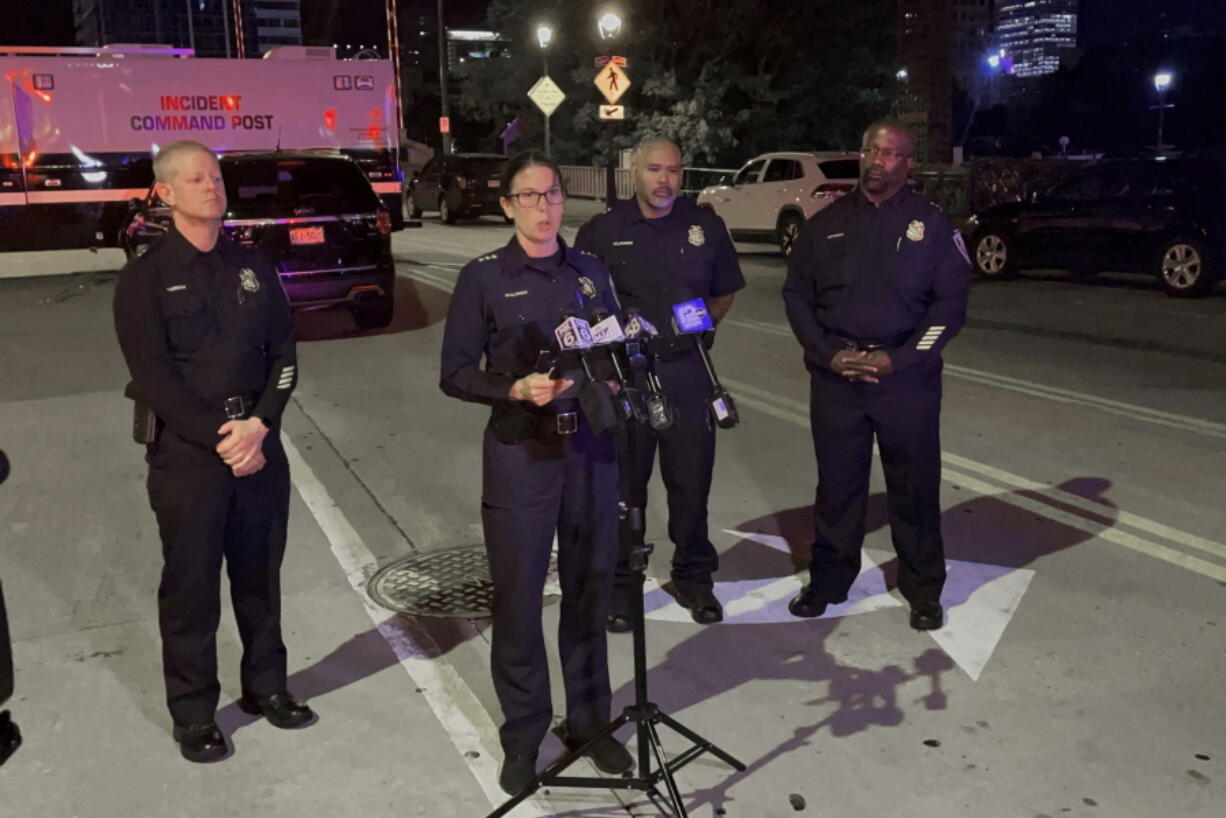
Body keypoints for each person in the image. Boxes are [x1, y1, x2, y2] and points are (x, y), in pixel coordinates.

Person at [439, 150, 633, 795]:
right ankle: (523, 735)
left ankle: (590, 724)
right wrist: (514, 389)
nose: (544, 206)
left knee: (589, 591)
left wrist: (616, 357)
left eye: (552, 194)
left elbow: (614, 354)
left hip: (590, 455)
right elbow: (457, 372)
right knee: (519, 600)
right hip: (522, 452)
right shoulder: (485, 277)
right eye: (529, 196)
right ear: (507, 205)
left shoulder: (591, 273)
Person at [113, 140, 314, 764]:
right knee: (191, 589)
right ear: (166, 194)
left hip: (257, 446)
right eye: (196, 179)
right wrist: (223, 439)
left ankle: (267, 688)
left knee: (260, 578)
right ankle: (195, 711)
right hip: (190, 460)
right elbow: (156, 379)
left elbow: (284, 355)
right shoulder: (144, 278)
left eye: (217, 176)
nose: (212, 186)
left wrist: (259, 425)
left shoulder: (251, 264)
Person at [781, 120, 971, 631]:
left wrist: (902, 359)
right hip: (838, 379)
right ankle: (829, 580)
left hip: (905, 382)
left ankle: (923, 588)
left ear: (907, 163)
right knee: (838, 489)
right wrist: (825, 353)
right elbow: (796, 294)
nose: (876, 160)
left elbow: (950, 309)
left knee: (914, 489)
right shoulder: (828, 222)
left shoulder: (930, 227)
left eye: (889, 153)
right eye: (869, 149)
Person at [575, 138, 745, 631]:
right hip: (625, 375)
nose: (664, 180)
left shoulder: (704, 226)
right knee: (626, 491)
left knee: (691, 486)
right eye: (654, 169)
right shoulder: (602, 230)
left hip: (686, 374)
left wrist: (698, 329)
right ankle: (623, 590)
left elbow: (726, 290)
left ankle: (695, 580)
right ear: (634, 172)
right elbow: (580, 299)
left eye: (673, 170)